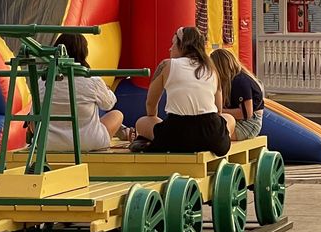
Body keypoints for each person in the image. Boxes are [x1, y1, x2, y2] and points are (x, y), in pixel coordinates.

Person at [133, 26, 234, 156]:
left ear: (183, 46)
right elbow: (219, 110)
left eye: (173, 43)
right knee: (229, 119)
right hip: (211, 134)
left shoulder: (166, 65)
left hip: (175, 135)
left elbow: (150, 104)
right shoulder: (211, 68)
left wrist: (153, 118)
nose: (170, 48)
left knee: (141, 123)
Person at [40, 33, 127, 152]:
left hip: (48, 143)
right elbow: (109, 104)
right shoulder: (92, 80)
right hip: (89, 143)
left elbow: (34, 112)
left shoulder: (42, 80)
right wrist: (105, 88)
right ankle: (122, 131)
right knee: (117, 114)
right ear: (84, 53)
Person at [211, 48, 265, 141]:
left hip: (248, 124)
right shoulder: (233, 80)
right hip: (241, 121)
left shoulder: (240, 82)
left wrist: (219, 111)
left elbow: (246, 113)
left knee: (215, 134)